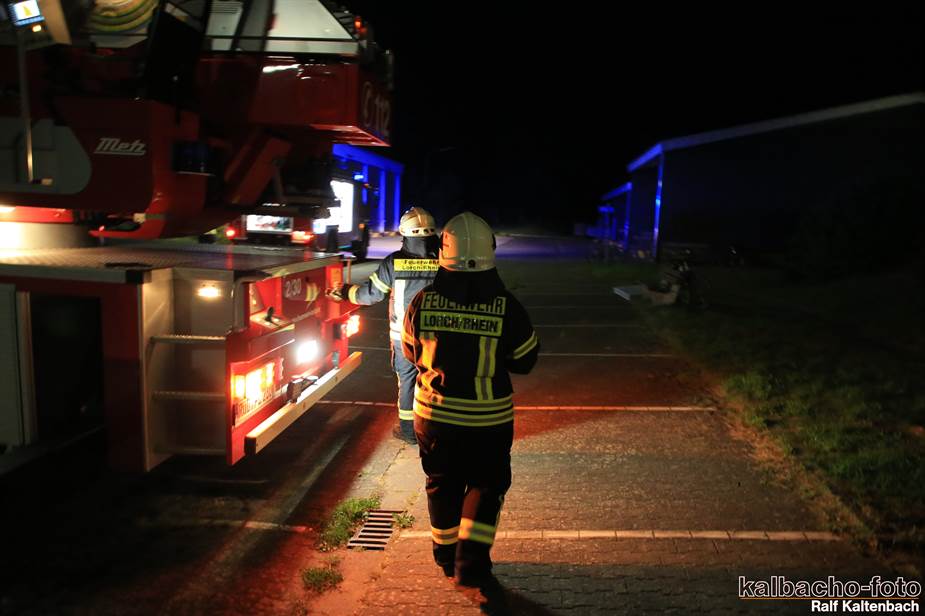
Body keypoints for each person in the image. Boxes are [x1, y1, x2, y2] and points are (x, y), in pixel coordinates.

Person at [401, 212, 539, 587]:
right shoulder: (506, 306)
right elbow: (526, 359)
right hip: (487, 422)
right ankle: (471, 563)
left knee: (441, 484)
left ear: (443, 253)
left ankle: (446, 556)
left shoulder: (423, 301)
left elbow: (411, 352)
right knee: (486, 486)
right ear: (489, 251)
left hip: (434, 418)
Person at [328, 207, 440, 443]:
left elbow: (371, 294)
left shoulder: (394, 263)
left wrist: (346, 292)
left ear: (404, 233)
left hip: (405, 338)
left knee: (408, 381)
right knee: (437, 380)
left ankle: (409, 431)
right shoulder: (444, 261)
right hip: (438, 337)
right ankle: (436, 429)